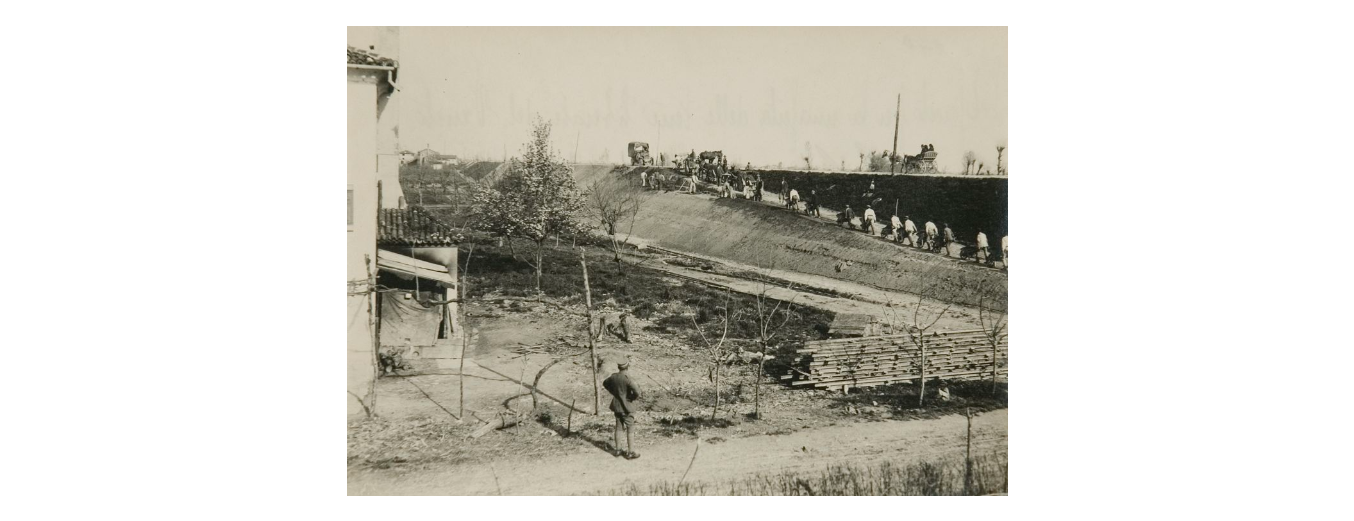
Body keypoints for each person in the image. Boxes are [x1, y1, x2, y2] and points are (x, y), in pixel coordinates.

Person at [602, 362, 642, 459]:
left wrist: (613, 392)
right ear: (628, 367)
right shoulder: (628, 378)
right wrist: (631, 398)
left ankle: (618, 450)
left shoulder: (613, 377)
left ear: (618, 367)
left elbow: (605, 383)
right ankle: (631, 452)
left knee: (618, 427)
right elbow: (638, 392)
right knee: (630, 428)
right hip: (627, 407)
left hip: (616, 406)